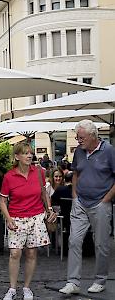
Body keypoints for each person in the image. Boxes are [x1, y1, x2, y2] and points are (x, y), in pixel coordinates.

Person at [59, 120, 115, 295]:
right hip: (80, 203)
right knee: (74, 241)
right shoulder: (79, 152)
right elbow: (76, 173)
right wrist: (75, 195)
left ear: (92, 136)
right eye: (77, 137)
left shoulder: (109, 151)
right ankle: (73, 282)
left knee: (101, 245)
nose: (78, 140)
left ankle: (100, 280)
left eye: (81, 137)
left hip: (100, 203)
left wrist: (106, 199)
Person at [0, 143, 56, 300]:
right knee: (15, 253)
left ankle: (26, 288)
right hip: (16, 218)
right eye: (25, 153)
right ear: (17, 157)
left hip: (36, 217)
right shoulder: (9, 177)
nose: (29, 156)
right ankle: (12, 288)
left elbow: (44, 193)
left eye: (30, 153)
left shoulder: (39, 172)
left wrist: (49, 209)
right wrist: (8, 219)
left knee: (31, 253)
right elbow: (2, 201)